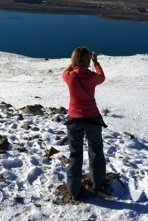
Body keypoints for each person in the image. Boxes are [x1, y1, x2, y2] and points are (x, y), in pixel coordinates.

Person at [62, 46, 108, 200]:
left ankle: (73, 190)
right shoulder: (92, 77)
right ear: (87, 60)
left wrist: (73, 63)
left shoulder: (69, 76)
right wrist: (96, 62)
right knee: (96, 150)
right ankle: (98, 183)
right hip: (92, 119)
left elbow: (64, 72)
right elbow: (102, 76)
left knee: (75, 154)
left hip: (74, 119)